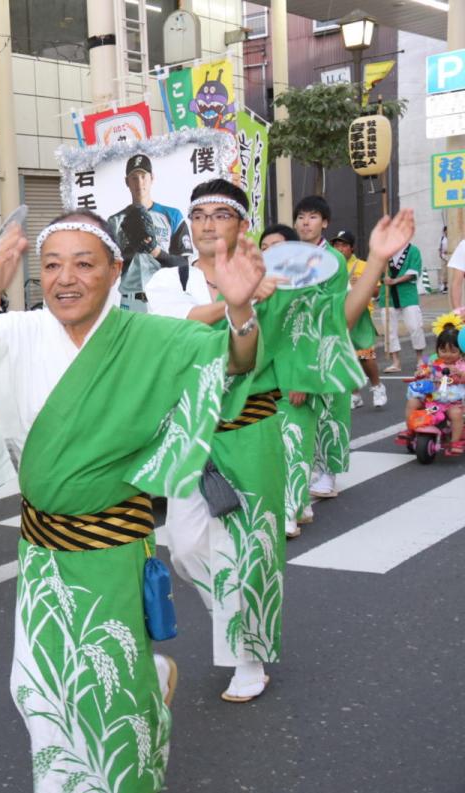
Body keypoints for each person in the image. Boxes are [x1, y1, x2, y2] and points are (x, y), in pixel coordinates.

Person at [0, 207, 269, 793]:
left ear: (115, 269)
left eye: (84, 264)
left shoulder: (150, 337)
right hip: (43, 550)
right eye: (51, 265)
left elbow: (233, 360)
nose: (65, 278)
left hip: (114, 547)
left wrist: (239, 311)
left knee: (113, 698)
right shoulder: (20, 331)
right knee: (38, 689)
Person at [144, 181, 390, 699]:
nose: (207, 224)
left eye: (220, 214)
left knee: (251, 551)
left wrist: (377, 263)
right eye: (199, 214)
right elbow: (173, 328)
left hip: (254, 430)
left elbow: (337, 320)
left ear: (242, 224)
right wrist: (236, 300)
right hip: (192, 434)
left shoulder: (278, 282)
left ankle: (248, 659)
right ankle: (236, 620)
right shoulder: (171, 278)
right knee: (185, 549)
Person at [293, 195, 353, 500]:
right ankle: (308, 467)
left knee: (330, 408)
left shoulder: (334, 259)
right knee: (300, 410)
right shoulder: (290, 255)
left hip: (326, 341)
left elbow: (329, 307)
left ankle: (328, 472)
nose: (306, 222)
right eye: (301, 217)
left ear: (325, 223)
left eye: (313, 217)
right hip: (295, 340)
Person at [260, 224, 317, 536]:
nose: (269, 252)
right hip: (264, 380)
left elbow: (313, 337)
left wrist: (303, 379)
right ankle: (300, 503)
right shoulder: (258, 289)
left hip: (294, 378)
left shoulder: (306, 289)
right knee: (278, 447)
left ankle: (289, 511)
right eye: (265, 247)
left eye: (277, 246)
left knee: (295, 443)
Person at [107, 154, 190, 307]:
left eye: (143, 176)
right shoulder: (115, 221)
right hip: (131, 301)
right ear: (127, 182)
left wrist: (155, 250)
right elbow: (109, 270)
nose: (139, 183)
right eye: (134, 178)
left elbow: (185, 265)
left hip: (165, 299)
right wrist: (131, 248)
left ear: (152, 178)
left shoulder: (173, 215)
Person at [330, 230, 387, 410]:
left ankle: (377, 387)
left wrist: (361, 286)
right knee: (345, 356)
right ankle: (354, 394)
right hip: (338, 315)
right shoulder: (330, 266)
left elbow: (377, 291)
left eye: (343, 245)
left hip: (360, 315)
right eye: (336, 245)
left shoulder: (362, 266)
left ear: (351, 248)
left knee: (365, 356)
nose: (339, 249)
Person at [398, 319, 465, 455]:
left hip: (451, 402)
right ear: (437, 349)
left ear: (461, 351)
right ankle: (410, 429)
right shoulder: (434, 362)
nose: (447, 354)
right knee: (412, 402)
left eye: (453, 351)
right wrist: (420, 373)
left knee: (456, 414)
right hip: (432, 402)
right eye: (443, 350)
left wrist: (460, 374)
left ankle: (455, 442)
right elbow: (425, 370)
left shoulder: (461, 364)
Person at [382, 241, 426, 374]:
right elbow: (378, 272)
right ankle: (396, 362)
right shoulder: (385, 252)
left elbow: (413, 272)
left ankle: (420, 360)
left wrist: (395, 280)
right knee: (389, 330)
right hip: (388, 296)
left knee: (415, 326)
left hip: (408, 295)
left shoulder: (413, 251)